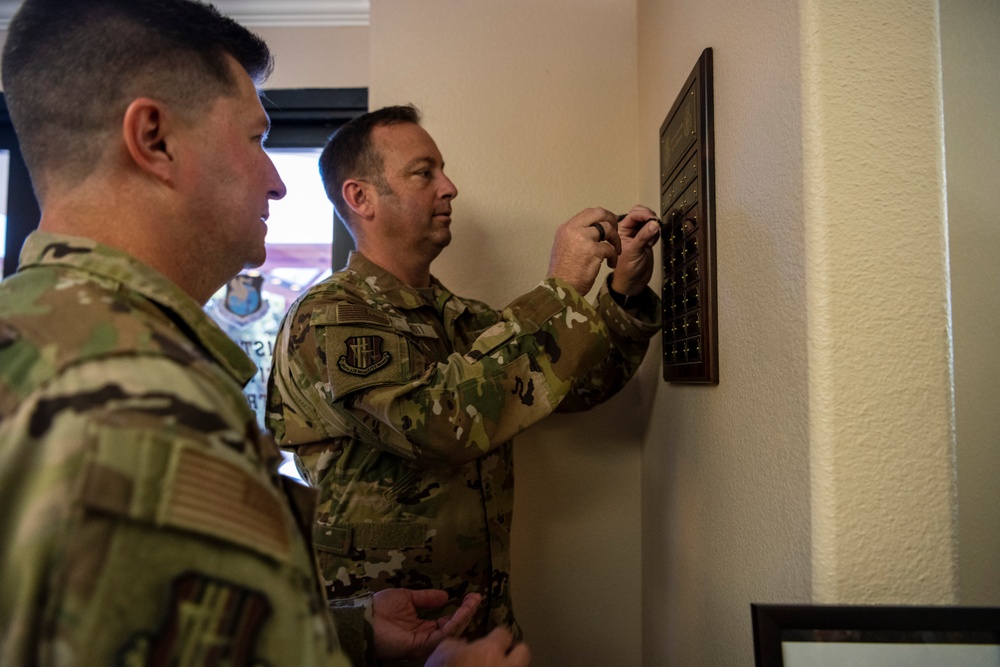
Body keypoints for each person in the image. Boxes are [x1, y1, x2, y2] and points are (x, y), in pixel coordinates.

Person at [0, 2, 529, 666]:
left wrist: (355, 631)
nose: (276, 180)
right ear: (155, 139)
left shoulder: (38, 332)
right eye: (256, 140)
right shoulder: (146, 402)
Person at [266, 104, 662, 648]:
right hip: (381, 642)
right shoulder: (331, 316)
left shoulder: (461, 317)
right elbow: (438, 424)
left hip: (479, 623)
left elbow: (579, 383)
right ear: (360, 198)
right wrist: (561, 288)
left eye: (443, 170)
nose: (449, 187)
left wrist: (623, 292)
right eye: (423, 172)